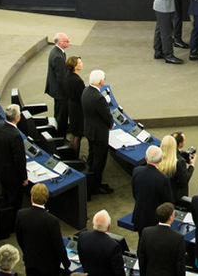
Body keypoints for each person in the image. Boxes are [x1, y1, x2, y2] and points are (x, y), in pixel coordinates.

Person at [15, 183, 70, 276]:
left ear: (31, 197)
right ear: (46, 199)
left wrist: (27, 252)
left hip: (30, 262)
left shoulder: (21, 214)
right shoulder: (51, 220)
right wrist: (66, 263)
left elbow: (19, 237)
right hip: (49, 267)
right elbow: (58, 245)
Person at [82, 69, 114, 197]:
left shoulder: (86, 91)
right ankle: (96, 186)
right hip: (99, 134)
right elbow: (106, 116)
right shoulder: (99, 98)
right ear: (101, 82)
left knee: (92, 157)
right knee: (99, 161)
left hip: (89, 130)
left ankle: (90, 181)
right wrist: (111, 124)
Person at [131, 145, 174, 237]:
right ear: (161, 160)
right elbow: (168, 202)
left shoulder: (136, 171)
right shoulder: (163, 179)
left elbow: (135, 193)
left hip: (140, 217)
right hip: (155, 221)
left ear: (146, 158)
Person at [138, 202, 186, 276]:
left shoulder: (146, 232)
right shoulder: (177, 238)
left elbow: (142, 258)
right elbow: (180, 265)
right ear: (171, 217)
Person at [0, 104, 27, 212]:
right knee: (15, 201)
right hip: (13, 176)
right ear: (17, 118)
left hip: (1, 169)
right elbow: (19, 160)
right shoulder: (15, 136)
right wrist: (24, 178)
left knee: (5, 196)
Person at [77, 210, 124, 276]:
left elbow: (82, 259)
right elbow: (119, 272)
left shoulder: (82, 236)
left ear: (93, 223)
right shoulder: (113, 246)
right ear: (109, 227)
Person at [44, 32, 70, 137]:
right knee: (62, 116)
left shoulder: (58, 52)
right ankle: (60, 137)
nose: (69, 42)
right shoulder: (58, 57)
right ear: (60, 43)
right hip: (60, 93)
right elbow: (61, 79)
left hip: (56, 90)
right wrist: (68, 93)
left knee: (59, 113)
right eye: (67, 41)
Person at [159, 134, 194, 205]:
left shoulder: (158, 159)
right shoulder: (178, 162)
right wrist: (192, 165)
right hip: (174, 197)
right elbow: (183, 182)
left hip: (161, 195)